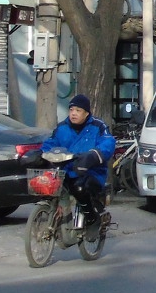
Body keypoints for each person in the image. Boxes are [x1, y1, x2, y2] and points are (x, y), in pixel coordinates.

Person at [40, 94, 116, 231]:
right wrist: (40, 154)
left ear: (86, 113)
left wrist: (93, 155)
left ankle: (92, 219)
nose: (73, 113)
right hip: (66, 170)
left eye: (78, 110)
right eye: (71, 110)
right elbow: (50, 143)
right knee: (45, 184)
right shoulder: (62, 128)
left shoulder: (98, 126)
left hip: (91, 171)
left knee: (79, 188)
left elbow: (108, 143)